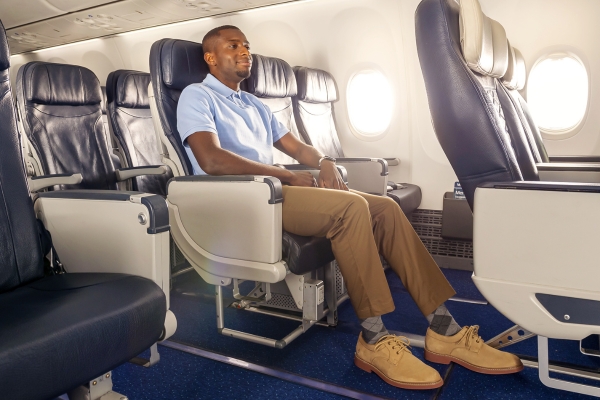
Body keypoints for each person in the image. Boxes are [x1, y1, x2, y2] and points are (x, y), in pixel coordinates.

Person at [177, 24, 523, 390]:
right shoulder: (197, 96)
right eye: (234, 46)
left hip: (272, 192)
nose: (246, 51)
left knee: (385, 208)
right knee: (351, 208)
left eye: (247, 45)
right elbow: (211, 160)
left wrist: (323, 160)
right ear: (211, 57)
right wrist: (286, 175)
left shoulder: (253, 104)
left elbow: (297, 148)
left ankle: (445, 330)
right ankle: (373, 339)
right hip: (241, 200)